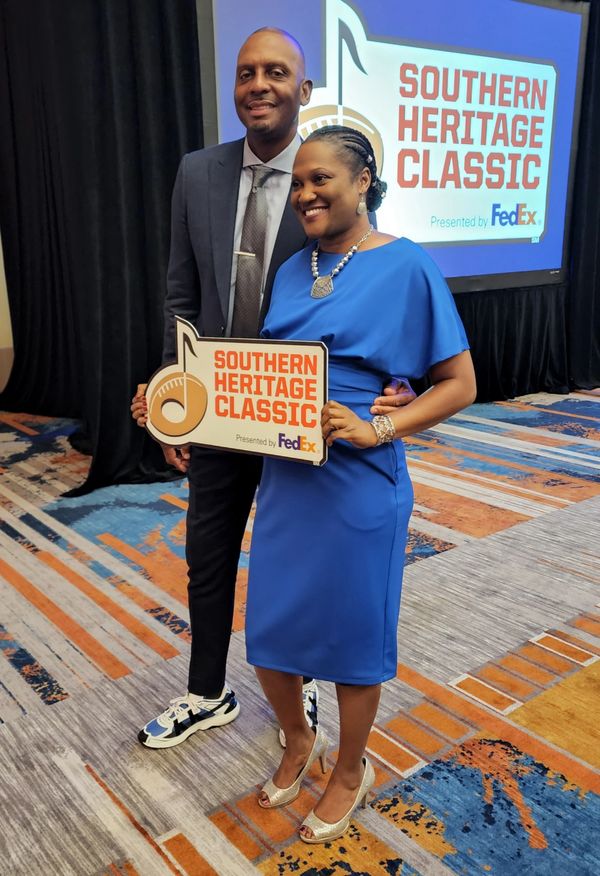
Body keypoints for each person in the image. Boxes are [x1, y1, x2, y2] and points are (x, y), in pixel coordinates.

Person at [131, 30, 415, 750]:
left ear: (305, 89)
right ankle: (206, 690)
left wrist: (398, 380)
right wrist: (176, 398)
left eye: (277, 72)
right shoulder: (197, 171)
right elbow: (180, 292)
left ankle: (307, 689)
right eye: (247, 72)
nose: (259, 84)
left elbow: (368, 281)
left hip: (302, 415)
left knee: (306, 556)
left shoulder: (325, 177)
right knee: (208, 550)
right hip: (223, 407)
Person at [245, 125, 477, 843]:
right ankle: (295, 738)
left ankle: (351, 767)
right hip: (287, 474)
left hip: (361, 481)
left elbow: (460, 384)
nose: (306, 194)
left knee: (352, 637)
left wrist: (381, 427)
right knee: (270, 634)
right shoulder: (291, 268)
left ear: (363, 180)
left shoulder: (407, 265)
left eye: (323, 180)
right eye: (299, 183)